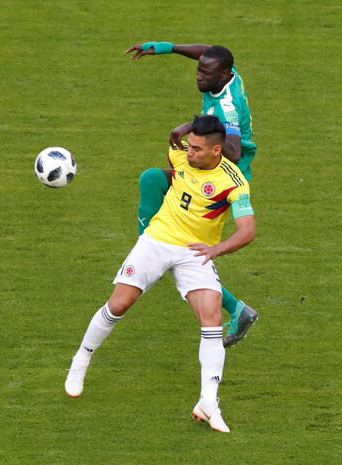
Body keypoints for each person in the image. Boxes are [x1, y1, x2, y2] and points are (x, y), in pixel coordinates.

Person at [65, 115, 255, 433]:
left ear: (216, 150)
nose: (188, 152)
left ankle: (208, 402)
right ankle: (81, 359)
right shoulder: (179, 154)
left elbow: (247, 230)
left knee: (210, 316)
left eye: (196, 148)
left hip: (197, 251)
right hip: (158, 240)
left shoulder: (233, 183)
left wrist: (215, 250)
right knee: (119, 304)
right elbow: (184, 138)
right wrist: (184, 128)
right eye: (188, 146)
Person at [126, 41, 258, 347]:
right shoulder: (223, 71)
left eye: (205, 72)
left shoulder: (227, 107)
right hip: (204, 164)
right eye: (199, 68)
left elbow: (235, 151)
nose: (198, 75)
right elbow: (207, 52)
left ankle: (236, 308)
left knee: (187, 246)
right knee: (151, 180)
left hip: (219, 180)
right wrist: (165, 48)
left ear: (223, 75)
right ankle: (150, 246)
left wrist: (192, 126)